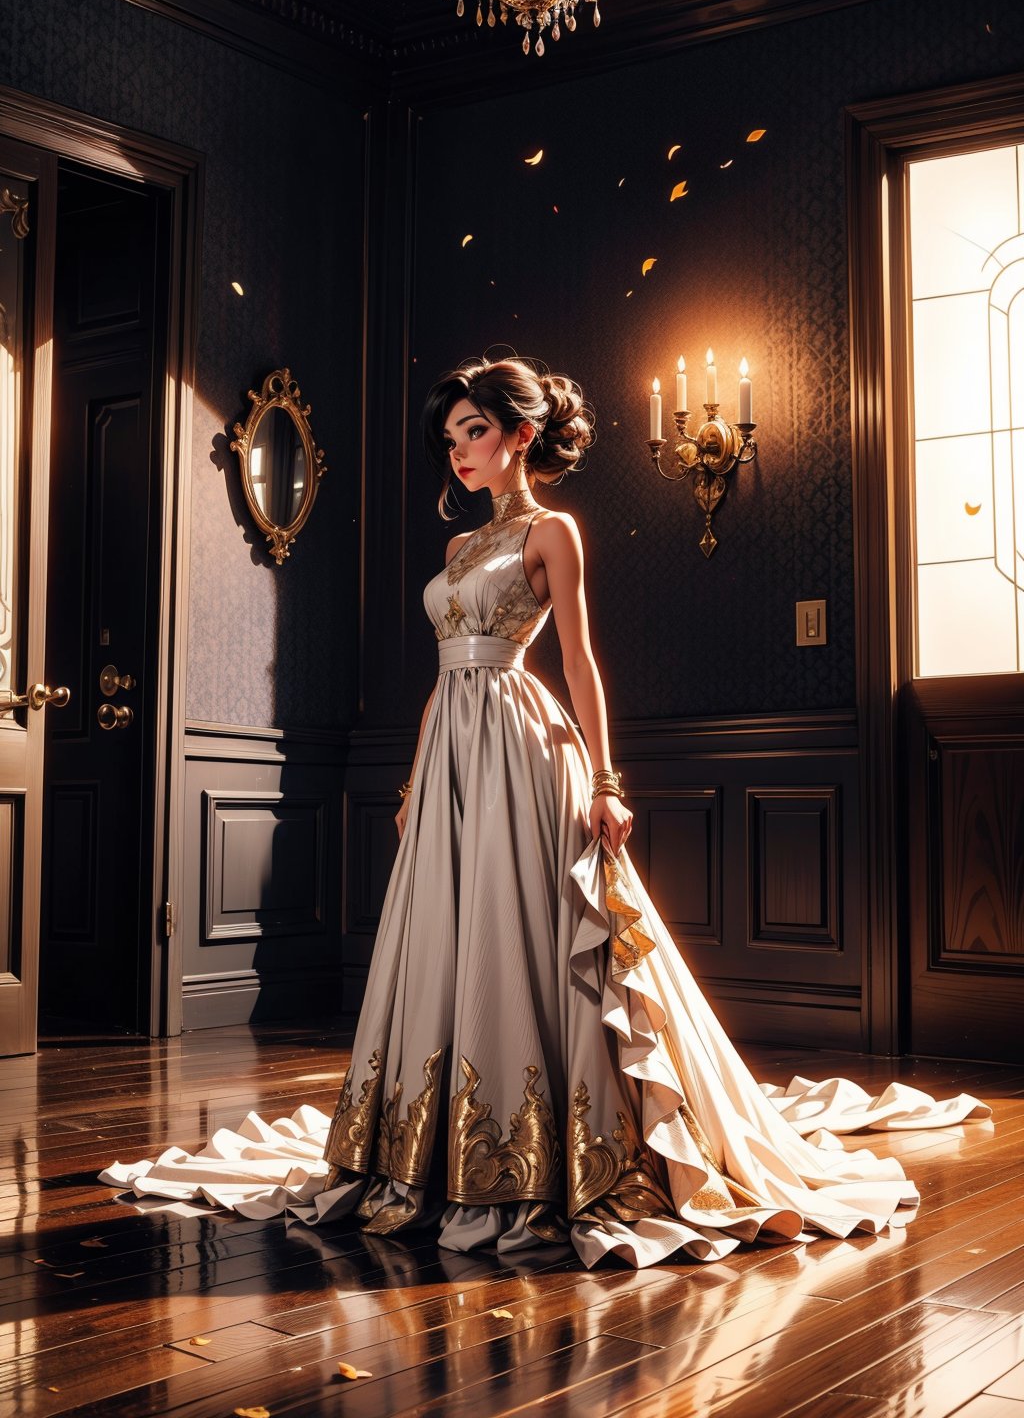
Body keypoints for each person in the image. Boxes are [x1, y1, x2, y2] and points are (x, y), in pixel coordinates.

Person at [101, 356, 989, 1267]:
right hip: (452, 750)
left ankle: (552, 1150)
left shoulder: (553, 532)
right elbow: (444, 672)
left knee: (530, 930)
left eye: (474, 432)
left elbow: (580, 661)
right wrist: (414, 780)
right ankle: (435, 1149)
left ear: (522, 435)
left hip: (524, 748)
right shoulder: (455, 552)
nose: (459, 452)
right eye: (450, 439)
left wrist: (605, 782)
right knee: (447, 935)